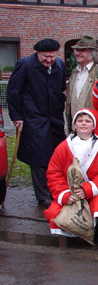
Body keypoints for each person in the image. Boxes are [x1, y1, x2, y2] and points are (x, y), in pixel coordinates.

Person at [7, 38, 66, 209]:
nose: (49, 60)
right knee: (39, 157)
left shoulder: (60, 65)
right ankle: (43, 196)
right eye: (45, 57)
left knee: (57, 155)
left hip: (54, 117)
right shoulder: (25, 65)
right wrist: (17, 116)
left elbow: (60, 88)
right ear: (37, 54)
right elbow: (13, 91)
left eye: (52, 57)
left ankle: (55, 190)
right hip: (33, 117)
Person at [44, 108, 98, 243]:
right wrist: (65, 195)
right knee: (54, 211)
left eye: (88, 121)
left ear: (94, 126)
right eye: (80, 121)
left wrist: (87, 190)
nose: (83, 124)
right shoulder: (63, 147)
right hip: (70, 191)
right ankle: (71, 232)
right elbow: (54, 173)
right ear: (74, 124)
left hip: (95, 192)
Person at [65, 36, 98, 134]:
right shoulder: (74, 73)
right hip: (75, 129)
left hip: (93, 129)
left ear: (92, 53)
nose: (78, 53)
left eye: (82, 50)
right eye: (76, 50)